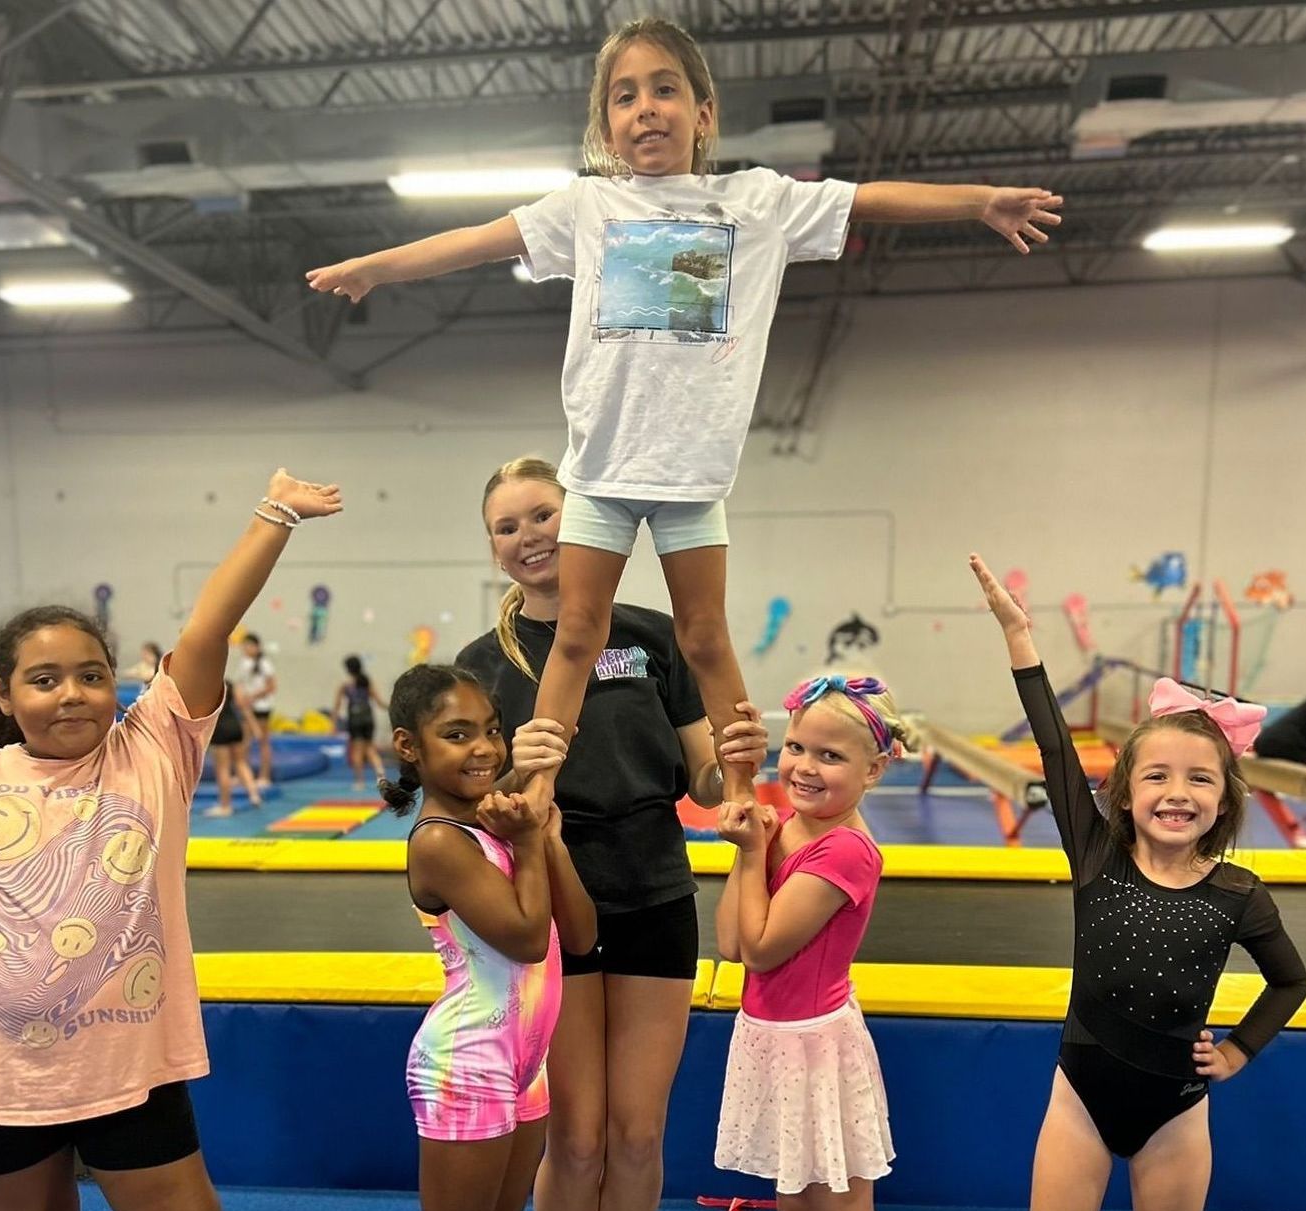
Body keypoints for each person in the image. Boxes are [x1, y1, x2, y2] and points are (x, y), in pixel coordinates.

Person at [308, 17, 1061, 824]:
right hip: (598, 468)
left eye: (664, 89)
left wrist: (979, 200)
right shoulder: (588, 206)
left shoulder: (755, 202)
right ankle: (535, 788)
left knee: (706, 638)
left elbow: (870, 199)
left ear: (703, 113)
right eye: (624, 97)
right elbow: (478, 241)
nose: (645, 109)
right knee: (576, 636)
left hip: (692, 474)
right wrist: (374, 267)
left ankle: (741, 794)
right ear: (606, 125)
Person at [0, 469, 341, 1211]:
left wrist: (275, 513)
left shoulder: (153, 748)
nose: (73, 693)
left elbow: (207, 631)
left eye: (91, 675)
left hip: (126, 1067)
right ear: (5, 695)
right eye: (44, 680)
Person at [456, 456, 768, 1211]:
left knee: (635, 1134)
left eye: (542, 515)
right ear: (491, 546)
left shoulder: (650, 637)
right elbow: (465, 804)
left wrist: (735, 759)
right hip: (551, 904)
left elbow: (700, 772)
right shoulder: (482, 664)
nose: (528, 536)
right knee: (578, 1136)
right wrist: (512, 773)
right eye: (507, 525)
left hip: (654, 890)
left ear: (581, 522)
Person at [970, 553, 1306, 1211]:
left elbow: (1291, 977)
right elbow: (1054, 746)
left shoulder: (1238, 892)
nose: (1177, 792)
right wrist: (1018, 636)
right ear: (1124, 792)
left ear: (1223, 799)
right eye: (1156, 775)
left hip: (1176, 1110)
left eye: (1199, 780)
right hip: (1078, 1101)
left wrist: (1241, 1048)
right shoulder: (1096, 855)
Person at [380, 664, 596, 1211]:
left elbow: (578, 936)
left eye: (493, 731)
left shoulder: (501, 825)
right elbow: (528, 940)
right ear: (409, 746)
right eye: (457, 735)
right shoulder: (439, 842)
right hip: (467, 1062)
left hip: (525, 1064)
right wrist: (527, 843)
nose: (483, 749)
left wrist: (547, 839)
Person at [714, 675, 914, 1211]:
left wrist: (752, 855)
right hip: (772, 1038)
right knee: (797, 1206)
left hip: (816, 1045)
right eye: (796, 748)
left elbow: (760, 949)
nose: (804, 766)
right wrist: (752, 853)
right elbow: (729, 944)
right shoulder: (789, 830)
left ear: (872, 770)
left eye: (830, 756)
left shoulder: (846, 850)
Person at [203, 678, 264, 818]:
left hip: (220, 728)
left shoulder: (208, 686)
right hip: (235, 726)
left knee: (223, 768)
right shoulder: (228, 684)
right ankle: (254, 795)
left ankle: (225, 806)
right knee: (241, 762)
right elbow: (243, 707)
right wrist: (255, 727)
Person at [333, 655, 387, 790]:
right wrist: (391, 708)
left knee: (357, 750)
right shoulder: (366, 681)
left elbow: (337, 705)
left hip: (355, 718)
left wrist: (333, 723)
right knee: (370, 748)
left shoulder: (345, 684)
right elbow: (379, 701)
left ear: (347, 669)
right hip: (367, 717)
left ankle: (359, 781)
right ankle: (381, 776)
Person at [237, 632, 276, 787]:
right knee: (244, 742)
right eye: (244, 646)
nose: (246, 649)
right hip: (247, 707)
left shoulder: (265, 664)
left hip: (261, 707)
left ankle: (264, 776)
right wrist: (241, 699)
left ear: (257, 647)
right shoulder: (243, 663)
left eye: (250, 646)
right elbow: (239, 683)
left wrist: (253, 696)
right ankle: (244, 776)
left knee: (263, 741)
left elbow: (272, 686)